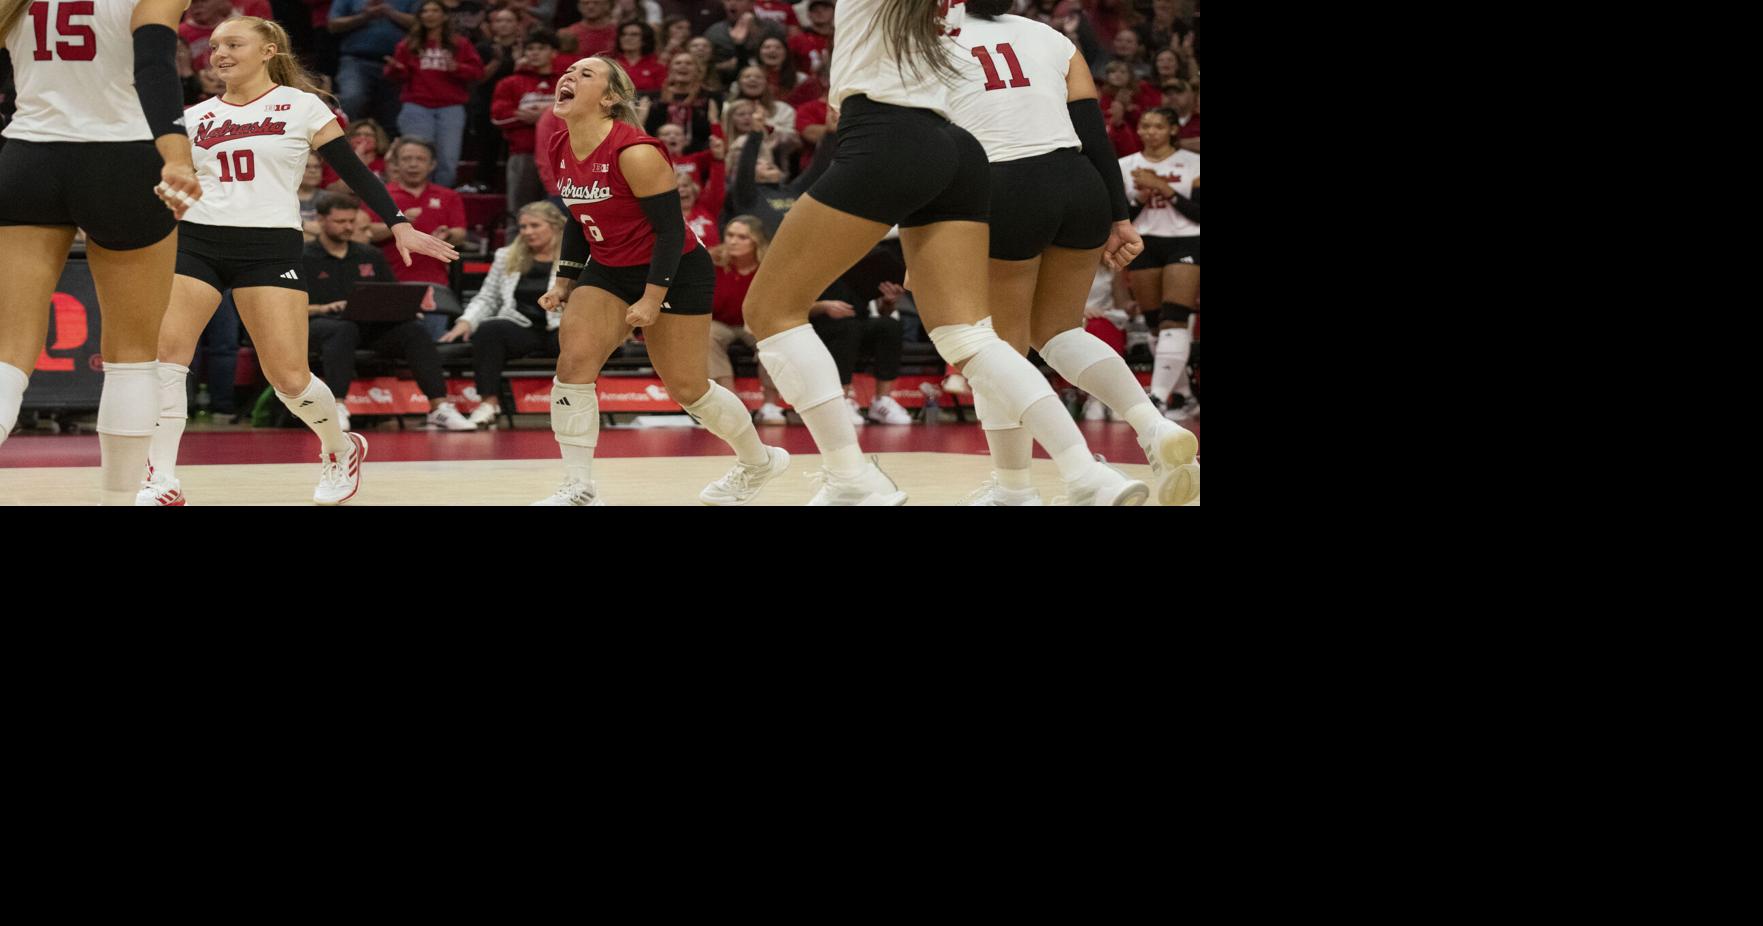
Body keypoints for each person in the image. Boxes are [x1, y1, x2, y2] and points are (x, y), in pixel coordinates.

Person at [741, 0, 1146, 505]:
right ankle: (1087, 476)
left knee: (769, 309)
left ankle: (851, 479)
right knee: (969, 336)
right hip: (954, 145)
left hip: (886, 132)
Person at [138, 15, 458, 506]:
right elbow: (169, 179)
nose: (219, 52)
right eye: (216, 45)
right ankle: (160, 479)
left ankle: (339, 447)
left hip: (268, 247)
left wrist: (397, 221)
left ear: (268, 51)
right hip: (197, 241)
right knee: (167, 360)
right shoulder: (195, 115)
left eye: (234, 44)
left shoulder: (302, 106)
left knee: (288, 377)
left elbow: (351, 169)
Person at [948, 0, 1196, 505]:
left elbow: (927, 145)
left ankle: (1013, 487)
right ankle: (1154, 426)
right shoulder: (1050, 37)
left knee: (999, 347)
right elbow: (1092, 128)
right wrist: (1119, 216)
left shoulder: (930, 39)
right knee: (1059, 331)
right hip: (1077, 182)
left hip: (1002, 183)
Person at [532, 54, 788, 505]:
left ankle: (758, 461)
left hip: (673, 270)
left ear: (610, 98)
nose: (569, 76)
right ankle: (578, 488)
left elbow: (671, 231)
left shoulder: (637, 152)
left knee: (688, 389)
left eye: (585, 73)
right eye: (568, 71)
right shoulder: (559, 144)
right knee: (572, 366)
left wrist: (652, 299)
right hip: (609, 267)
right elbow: (577, 217)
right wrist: (565, 281)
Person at [0, 0, 204, 505]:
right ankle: (116, 500)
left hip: (28, 157)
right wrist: (176, 153)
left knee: (7, 353)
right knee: (132, 355)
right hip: (123, 158)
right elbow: (154, 63)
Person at [304, 192, 475, 432]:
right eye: (340, 222)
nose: (348, 227)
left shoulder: (369, 255)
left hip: (368, 325)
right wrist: (323, 307)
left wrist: (405, 309)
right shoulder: (302, 257)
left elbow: (389, 292)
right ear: (321, 220)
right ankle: (338, 406)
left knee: (413, 331)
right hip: (320, 324)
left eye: (351, 222)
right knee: (342, 329)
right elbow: (287, 305)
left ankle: (439, 408)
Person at [440, 201, 567, 428]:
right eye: (523, 227)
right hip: (521, 325)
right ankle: (488, 403)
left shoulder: (574, 257)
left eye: (535, 225)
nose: (527, 232)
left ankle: (575, 405)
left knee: (577, 337)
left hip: (560, 325)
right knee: (490, 329)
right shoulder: (506, 255)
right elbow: (488, 297)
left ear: (555, 226)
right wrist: (466, 321)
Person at [1118, 106, 1199, 422]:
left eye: (1158, 126)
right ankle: (1185, 396)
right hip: (1145, 241)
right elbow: (1122, 217)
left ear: (1172, 130)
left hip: (1187, 240)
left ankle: (1158, 397)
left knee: (1174, 318)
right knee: (1154, 323)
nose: (1150, 132)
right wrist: (1140, 197)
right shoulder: (1126, 166)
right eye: (1145, 126)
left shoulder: (1193, 164)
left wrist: (1166, 190)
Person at [356, 135, 468, 336]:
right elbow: (366, 232)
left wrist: (448, 234)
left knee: (430, 347)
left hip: (434, 285)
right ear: (396, 164)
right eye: (407, 159)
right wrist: (399, 224)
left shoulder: (448, 196)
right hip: (390, 284)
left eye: (420, 159)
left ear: (432, 164)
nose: (413, 164)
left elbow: (460, 233)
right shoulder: (381, 194)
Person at [383, 0, 484, 187]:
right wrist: (395, 69)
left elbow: (477, 73)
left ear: (445, 15)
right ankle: (415, 199)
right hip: (417, 106)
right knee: (417, 157)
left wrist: (457, 68)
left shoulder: (460, 44)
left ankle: (439, 200)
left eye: (434, 10)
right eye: (425, 11)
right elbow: (396, 75)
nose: (429, 14)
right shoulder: (408, 45)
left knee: (448, 160)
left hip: (450, 107)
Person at [708, 215, 783, 423]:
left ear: (757, 241)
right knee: (707, 334)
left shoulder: (769, 266)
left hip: (756, 322)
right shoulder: (712, 259)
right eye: (730, 235)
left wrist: (758, 319)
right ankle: (731, 405)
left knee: (772, 338)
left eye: (742, 237)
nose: (733, 241)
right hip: (719, 321)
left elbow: (776, 302)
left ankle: (770, 405)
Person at [490, 28, 559, 224]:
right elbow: (498, 116)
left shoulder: (567, 82)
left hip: (561, 156)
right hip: (523, 154)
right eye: (530, 49)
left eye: (541, 48)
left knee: (558, 214)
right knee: (519, 213)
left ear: (554, 52)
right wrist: (546, 114)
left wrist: (542, 114)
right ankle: (514, 254)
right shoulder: (510, 83)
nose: (534, 53)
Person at [328, 0, 422, 132]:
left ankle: (390, 148)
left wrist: (390, 12)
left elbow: (422, 23)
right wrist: (365, 16)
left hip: (397, 62)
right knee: (352, 99)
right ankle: (342, 144)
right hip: (356, 60)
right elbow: (333, 24)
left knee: (396, 112)